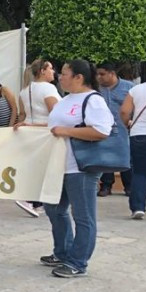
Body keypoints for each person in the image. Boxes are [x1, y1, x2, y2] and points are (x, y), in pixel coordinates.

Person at [42, 59, 114, 278]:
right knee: (53, 209)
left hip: (81, 168)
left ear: (78, 78)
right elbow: (55, 127)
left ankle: (78, 261)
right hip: (59, 165)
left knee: (83, 216)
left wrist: (66, 131)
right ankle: (63, 251)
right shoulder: (66, 99)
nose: (59, 77)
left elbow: (102, 131)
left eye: (63, 73)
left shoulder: (93, 100)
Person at [13, 59, 61, 217]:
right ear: (42, 71)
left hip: (29, 131)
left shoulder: (24, 91)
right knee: (45, 168)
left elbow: (23, 114)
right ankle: (33, 200)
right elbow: (55, 113)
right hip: (45, 132)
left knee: (33, 166)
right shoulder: (48, 89)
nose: (53, 72)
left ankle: (35, 201)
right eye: (50, 69)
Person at [96, 62, 134, 197]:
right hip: (103, 129)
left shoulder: (129, 87)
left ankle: (129, 186)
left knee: (126, 156)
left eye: (102, 74)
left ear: (112, 73)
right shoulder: (97, 89)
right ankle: (106, 186)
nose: (99, 77)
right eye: (98, 74)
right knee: (106, 156)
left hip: (124, 128)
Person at [119, 77, 146, 219]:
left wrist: (128, 124)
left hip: (139, 134)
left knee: (140, 172)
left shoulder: (136, 89)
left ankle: (138, 207)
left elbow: (124, 111)